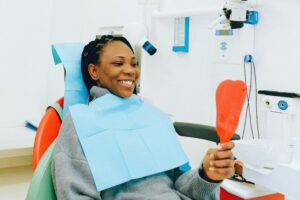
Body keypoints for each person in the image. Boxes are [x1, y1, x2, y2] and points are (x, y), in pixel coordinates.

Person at [51, 35, 235, 200]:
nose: (131, 70)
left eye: (134, 63)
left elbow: (184, 187)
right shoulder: (81, 121)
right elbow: (74, 194)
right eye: (118, 63)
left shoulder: (154, 115)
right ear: (94, 72)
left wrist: (206, 176)